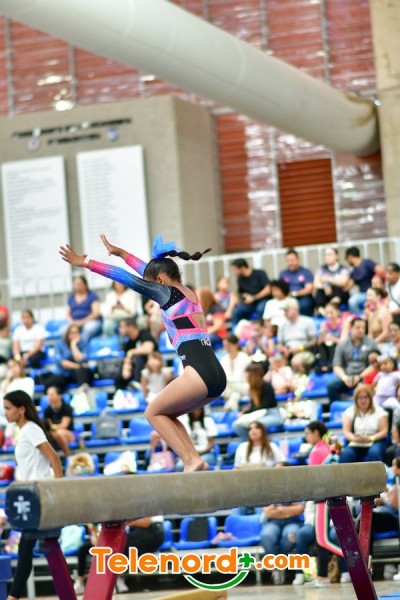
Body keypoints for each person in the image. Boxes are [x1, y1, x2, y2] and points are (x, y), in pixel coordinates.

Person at [60, 234, 227, 472]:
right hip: (216, 374)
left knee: (153, 413)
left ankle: (190, 460)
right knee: (168, 415)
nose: (151, 289)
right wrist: (121, 253)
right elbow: (145, 271)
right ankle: (194, 459)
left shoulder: (167, 294)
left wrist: (85, 262)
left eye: (152, 284)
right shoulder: (189, 293)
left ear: (159, 280)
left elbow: (126, 278)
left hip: (198, 372)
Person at [3, 389, 63, 600]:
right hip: (33, 494)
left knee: (27, 547)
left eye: (8, 408)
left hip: (41, 494)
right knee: (35, 547)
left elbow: (54, 458)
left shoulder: (31, 429)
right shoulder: (25, 431)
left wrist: (60, 489)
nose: (5, 413)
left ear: (21, 409)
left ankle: (13, 597)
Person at [327, 317, 378, 405]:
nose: (361, 330)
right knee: (331, 386)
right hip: (347, 377)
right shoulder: (342, 344)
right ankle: (337, 408)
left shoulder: (371, 343)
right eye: (358, 327)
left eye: (363, 327)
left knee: (369, 386)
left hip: (364, 377)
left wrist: (360, 376)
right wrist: (344, 378)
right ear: (351, 328)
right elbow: (336, 365)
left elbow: (374, 365)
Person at [339, 383, 389, 463]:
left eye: (365, 397)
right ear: (356, 399)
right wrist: (355, 438)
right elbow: (346, 431)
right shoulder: (349, 412)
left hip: (375, 441)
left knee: (374, 452)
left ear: (370, 398)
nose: (363, 400)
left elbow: (384, 431)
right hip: (356, 441)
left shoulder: (380, 411)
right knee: (346, 454)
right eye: (360, 398)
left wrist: (371, 438)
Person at [233, 363, 282, 440]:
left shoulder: (267, 386)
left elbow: (265, 405)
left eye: (248, 375)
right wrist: (244, 412)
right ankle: (251, 444)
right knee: (237, 425)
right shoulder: (252, 389)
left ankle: (261, 443)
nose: (246, 377)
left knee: (255, 425)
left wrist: (246, 412)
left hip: (272, 415)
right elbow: (253, 406)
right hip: (259, 415)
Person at [43, 325, 93, 391]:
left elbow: (79, 359)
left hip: (77, 374)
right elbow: (63, 363)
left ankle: (82, 393)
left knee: (83, 372)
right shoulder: (60, 344)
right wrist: (78, 366)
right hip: (63, 373)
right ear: (67, 334)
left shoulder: (83, 343)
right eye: (72, 333)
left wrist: (73, 345)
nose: (74, 335)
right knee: (50, 382)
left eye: (76, 333)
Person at [115, 317, 157, 389]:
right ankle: (120, 391)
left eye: (122, 327)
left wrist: (132, 352)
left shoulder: (144, 335)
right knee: (119, 375)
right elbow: (127, 359)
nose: (120, 330)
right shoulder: (129, 342)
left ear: (130, 327)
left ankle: (137, 382)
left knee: (139, 357)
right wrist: (126, 368)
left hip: (151, 367)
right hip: (133, 370)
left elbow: (148, 349)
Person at [65, 275, 102, 350]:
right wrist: (72, 322)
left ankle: (82, 350)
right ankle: (68, 351)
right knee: (64, 330)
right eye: (76, 284)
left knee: (87, 329)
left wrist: (82, 322)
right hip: (75, 322)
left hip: (91, 321)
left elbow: (96, 313)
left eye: (79, 284)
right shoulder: (71, 297)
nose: (77, 286)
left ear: (85, 284)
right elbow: (67, 314)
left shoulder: (92, 295)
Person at [230, 258, 270, 324]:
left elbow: (268, 289)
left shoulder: (259, 273)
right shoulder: (240, 279)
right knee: (237, 311)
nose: (234, 273)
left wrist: (254, 298)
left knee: (260, 309)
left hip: (263, 300)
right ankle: (237, 329)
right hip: (249, 304)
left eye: (235, 270)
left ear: (242, 268)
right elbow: (240, 292)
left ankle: (259, 328)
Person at [219, 333, 252, 411]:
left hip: (243, 386)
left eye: (228, 345)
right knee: (234, 395)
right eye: (225, 346)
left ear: (235, 344)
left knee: (238, 388)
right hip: (228, 389)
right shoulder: (223, 360)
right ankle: (232, 406)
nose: (227, 348)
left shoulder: (244, 358)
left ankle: (229, 407)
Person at [313, 247, 350, 314]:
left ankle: (333, 308)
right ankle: (322, 311)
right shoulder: (321, 269)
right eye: (326, 255)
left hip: (339, 295)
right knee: (319, 291)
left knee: (338, 287)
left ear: (336, 256)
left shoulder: (343, 268)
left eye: (330, 254)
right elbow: (316, 283)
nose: (327, 257)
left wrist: (328, 279)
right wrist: (325, 287)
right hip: (326, 294)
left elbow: (343, 282)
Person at [279, 248, 314, 316]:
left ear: (298, 260)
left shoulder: (306, 272)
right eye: (288, 261)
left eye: (292, 260)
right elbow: (279, 289)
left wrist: (294, 294)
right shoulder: (283, 274)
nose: (290, 263)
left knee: (304, 305)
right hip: (287, 298)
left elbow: (309, 289)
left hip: (303, 298)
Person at [344, 246, 380, 314]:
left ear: (350, 257)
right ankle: (361, 316)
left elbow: (380, 270)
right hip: (363, 294)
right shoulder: (353, 271)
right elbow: (347, 287)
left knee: (353, 301)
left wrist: (377, 283)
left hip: (374, 291)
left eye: (347, 259)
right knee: (352, 301)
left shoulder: (367, 263)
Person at [43, 386, 75, 457]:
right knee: (50, 434)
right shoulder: (47, 410)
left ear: (59, 395)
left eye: (52, 394)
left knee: (59, 433)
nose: (49, 397)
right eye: (48, 394)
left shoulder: (67, 408)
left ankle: (67, 455)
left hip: (69, 433)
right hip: (53, 433)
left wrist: (53, 427)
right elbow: (47, 425)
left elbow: (64, 425)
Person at [317, 301, 346, 372]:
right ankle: (323, 366)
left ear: (337, 312)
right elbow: (318, 343)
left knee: (333, 345)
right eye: (327, 313)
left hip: (339, 348)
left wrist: (331, 338)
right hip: (327, 348)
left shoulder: (344, 323)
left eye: (331, 312)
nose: (329, 315)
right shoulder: (324, 324)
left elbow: (343, 342)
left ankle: (333, 365)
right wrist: (322, 335)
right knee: (322, 345)